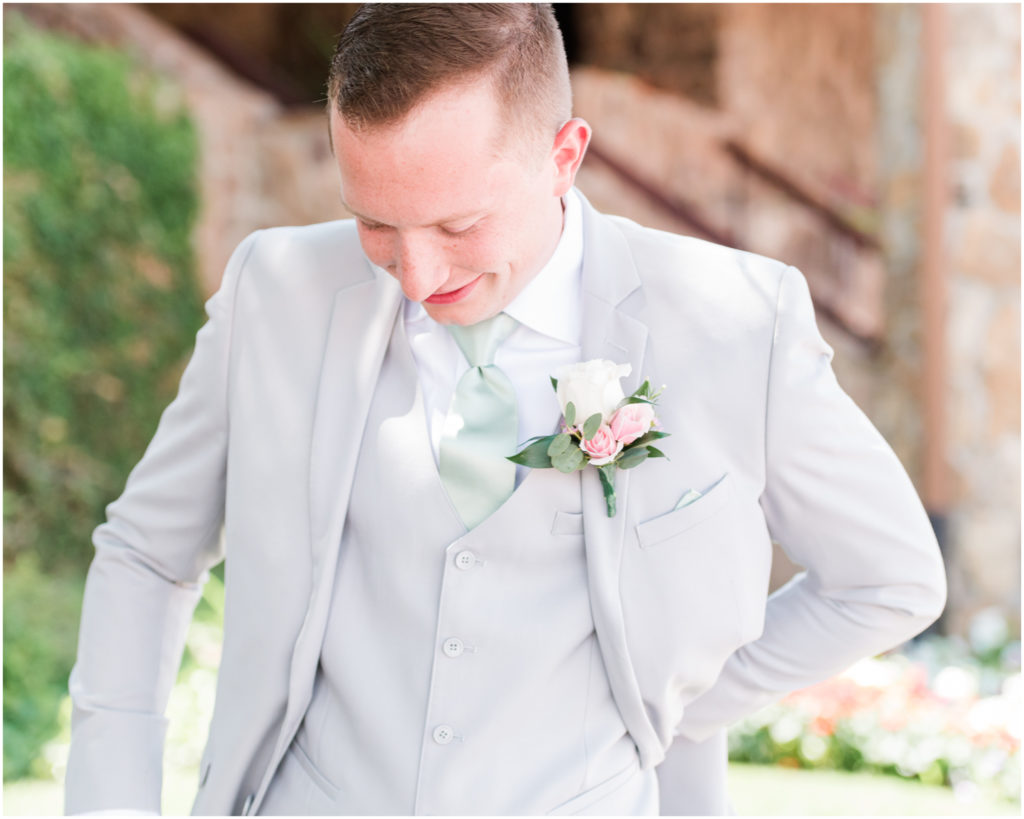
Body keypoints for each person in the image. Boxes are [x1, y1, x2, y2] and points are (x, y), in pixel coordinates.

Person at [65, 4, 946, 816]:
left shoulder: (734, 324)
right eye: (374, 223)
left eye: (456, 225)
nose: (416, 276)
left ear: (564, 154)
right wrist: (113, 803)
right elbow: (147, 552)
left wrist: (669, 698)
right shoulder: (276, 293)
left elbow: (888, 577)